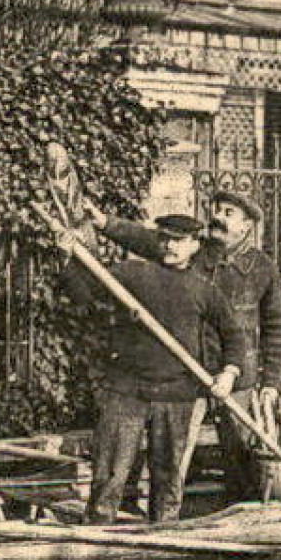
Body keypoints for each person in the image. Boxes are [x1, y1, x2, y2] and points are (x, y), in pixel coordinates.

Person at [85, 190, 281, 500]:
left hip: (234, 377)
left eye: (229, 213)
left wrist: (271, 380)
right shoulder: (194, 252)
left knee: (241, 455)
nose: (217, 216)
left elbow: (275, 327)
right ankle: (163, 518)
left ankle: (242, 518)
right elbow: (147, 238)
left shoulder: (263, 268)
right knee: (175, 455)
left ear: (246, 226)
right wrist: (105, 223)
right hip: (189, 372)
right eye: (217, 209)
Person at [60, 214, 250, 525]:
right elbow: (85, 295)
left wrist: (229, 373)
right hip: (126, 391)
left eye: (178, 240)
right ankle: (97, 532)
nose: (169, 245)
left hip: (176, 395)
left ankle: (166, 536)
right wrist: (68, 259)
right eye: (164, 238)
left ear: (193, 245)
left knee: (168, 476)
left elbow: (233, 335)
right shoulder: (132, 273)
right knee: (110, 473)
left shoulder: (204, 290)